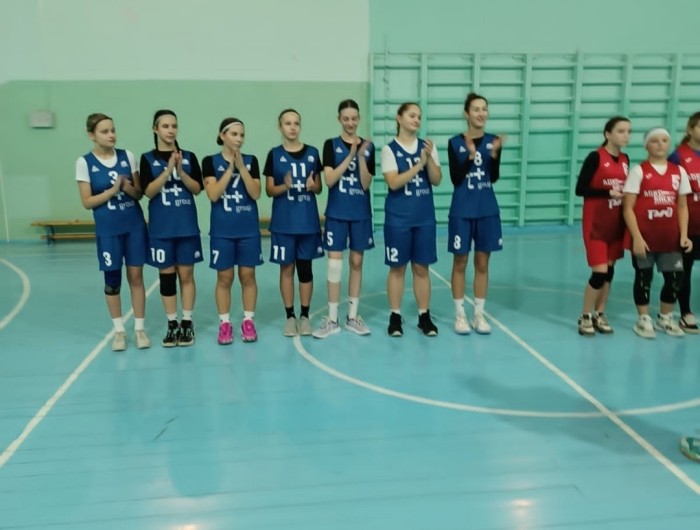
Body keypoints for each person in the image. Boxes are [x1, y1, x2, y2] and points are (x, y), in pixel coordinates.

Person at [75, 113, 150, 351]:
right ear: (92, 135)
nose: (111, 135)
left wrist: (127, 187)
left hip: (133, 226)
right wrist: (112, 190)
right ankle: (119, 331)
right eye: (105, 131)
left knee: (136, 277)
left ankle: (140, 328)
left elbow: (138, 194)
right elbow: (87, 202)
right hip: (108, 229)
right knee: (112, 280)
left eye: (113, 130)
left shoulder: (127, 156)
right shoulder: (84, 163)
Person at [140, 109, 203, 347]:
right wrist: (167, 171)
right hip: (161, 228)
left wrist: (181, 172)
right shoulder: (147, 159)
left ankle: (187, 322)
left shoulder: (189, 156)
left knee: (186, 275)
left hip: (186, 225)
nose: (170, 130)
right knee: (166, 278)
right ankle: (172, 324)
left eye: (174, 126)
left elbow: (197, 189)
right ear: (155, 129)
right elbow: (148, 192)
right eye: (165, 126)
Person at [622, 127, 693, 339]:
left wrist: (684, 235)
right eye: (655, 141)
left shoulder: (679, 172)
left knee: (675, 278)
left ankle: (665, 317)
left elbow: (682, 206)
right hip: (644, 237)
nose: (660, 144)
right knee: (644, 278)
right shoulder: (639, 171)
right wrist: (636, 237)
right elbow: (627, 208)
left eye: (664, 140)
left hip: (669, 237)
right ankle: (643, 319)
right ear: (646, 146)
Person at [313, 99, 375, 339]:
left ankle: (352, 317)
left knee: (357, 263)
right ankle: (331, 319)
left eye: (354, 118)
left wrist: (361, 157)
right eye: (346, 118)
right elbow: (329, 180)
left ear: (359, 118)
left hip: (360, 213)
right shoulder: (330, 145)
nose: (350, 123)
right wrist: (350, 155)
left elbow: (366, 184)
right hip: (337, 212)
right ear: (339, 119)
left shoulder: (368, 147)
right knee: (334, 264)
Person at [381, 102, 442, 337]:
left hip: (424, 217)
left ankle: (424, 316)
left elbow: (436, 180)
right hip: (398, 218)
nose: (416, 120)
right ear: (399, 118)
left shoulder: (427, 147)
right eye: (412, 115)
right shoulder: (389, 150)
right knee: (397, 268)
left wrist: (430, 159)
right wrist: (418, 165)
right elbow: (393, 182)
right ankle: (395, 316)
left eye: (419, 116)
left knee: (421, 268)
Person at [447, 92, 504, 335]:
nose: (481, 113)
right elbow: (455, 178)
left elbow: (494, 177)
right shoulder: (455, 142)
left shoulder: (493, 141)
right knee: (460, 261)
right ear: (466, 114)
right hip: (462, 209)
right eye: (476, 109)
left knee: (482, 262)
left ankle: (478, 315)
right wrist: (470, 157)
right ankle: (460, 315)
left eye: (484, 109)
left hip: (487, 209)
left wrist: (494, 157)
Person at [202, 118, 263, 345]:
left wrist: (242, 168)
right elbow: (213, 194)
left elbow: (256, 193)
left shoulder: (251, 161)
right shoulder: (210, 162)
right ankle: (225, 323)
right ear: (222, 136)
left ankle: (248, 320)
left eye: (242, 135)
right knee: (224, 278)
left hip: (248, 229)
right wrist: (230, 169)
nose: (239, 139)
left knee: (248, 276)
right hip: (222, 230)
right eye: (234, 134)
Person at [264, 108, 324, 337]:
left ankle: (305, 316)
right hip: (284, 223)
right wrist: (285, 186)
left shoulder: (313, 153)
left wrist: (313, 186)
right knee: (286, 268)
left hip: (307, 222)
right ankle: (290, 316)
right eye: (287, 123)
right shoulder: (274, 155)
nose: (292, 127)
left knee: (305, 269)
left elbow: (319, 187)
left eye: (296, 123)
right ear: (280, 127)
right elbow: (270, 190)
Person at [574, 116, 631, 336]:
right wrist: (608, 192)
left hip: (615, 224)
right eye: (621, 131)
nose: (626, 135)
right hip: (596, 224)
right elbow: (580, 189)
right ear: (608, 134)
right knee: (599, 273)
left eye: (628, 131)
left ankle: (600, 313)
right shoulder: (595, 157)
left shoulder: (625, 159)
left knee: (609, 272)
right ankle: (585, 315)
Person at [668, 112, 700, 333]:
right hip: (688, 226)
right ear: (690, 129)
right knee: (684, 270)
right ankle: (685, 313)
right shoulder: (678, 156)